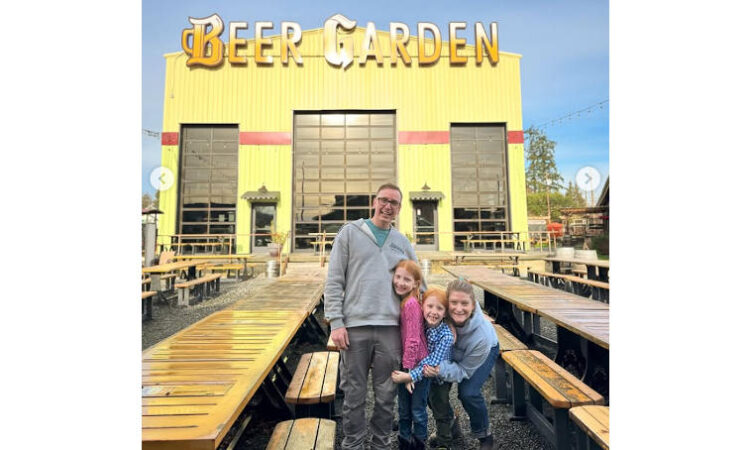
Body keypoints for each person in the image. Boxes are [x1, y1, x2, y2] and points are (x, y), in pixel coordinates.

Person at [325, 183, 420, 450]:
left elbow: (418, 283)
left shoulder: (401, 242)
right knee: (353, 393)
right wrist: (336, 321)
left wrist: (435, 319)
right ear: (374, 202)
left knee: (386, 394)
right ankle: (352, 444)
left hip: (390, 328)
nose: (388, 206)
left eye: (395, 203)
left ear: (399, 209)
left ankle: (381, 444)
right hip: (354, 328)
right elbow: (333, 280)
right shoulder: (350, 233)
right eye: (384, 200)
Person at [423, 279, 499, 450]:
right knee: (431, 388)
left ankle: (484, 436)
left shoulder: (482, 337)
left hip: (482, 351)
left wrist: (439, 369)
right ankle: (450, 423)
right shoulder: (441, 313)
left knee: (468, 393)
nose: (458, 308)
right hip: (449, 351)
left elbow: (463, 370)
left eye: (464, 303)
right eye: (453, 303)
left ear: (473, 305)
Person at [392, 287, 454, 450]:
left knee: (439, 407)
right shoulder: (422, 325)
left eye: (439, 308)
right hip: (422, 373)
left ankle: (443, 442)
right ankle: (405, 442)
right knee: (409, 407)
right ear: (422, 307)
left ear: (445, 313)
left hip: (440, 377)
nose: (433, 312)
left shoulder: (446, 336)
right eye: (430, 306)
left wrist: (408, 376)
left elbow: (431, 361)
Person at [390, 260, 428, 450]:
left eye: (407, 279)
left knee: (417, 410)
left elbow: (413, 340)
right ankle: (404, 441)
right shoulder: (403, 300)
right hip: (406, 363)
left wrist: (408, 372)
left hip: (418, 365)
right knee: (403, 409)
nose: (400, 282)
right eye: (398, 277)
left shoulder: (411, 304)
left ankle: (419, 442)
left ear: (416, 283)